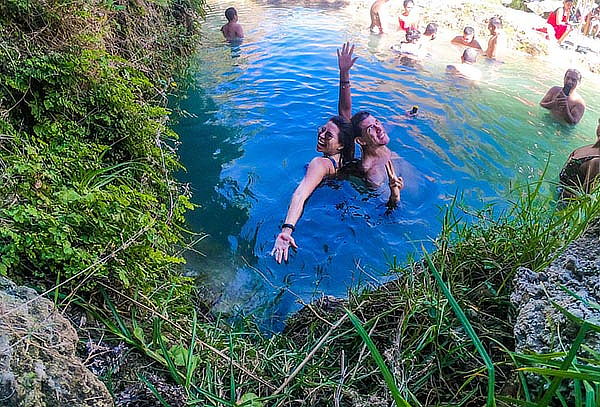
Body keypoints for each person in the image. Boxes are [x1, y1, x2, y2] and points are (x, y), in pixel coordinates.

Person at [270, 115, 355, 263]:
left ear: (341, 145)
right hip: (335, 212)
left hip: (315, 212)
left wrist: (286, 230)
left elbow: (300, 194)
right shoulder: (346, 161)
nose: (321, 136)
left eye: (328, 135)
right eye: (322, 130)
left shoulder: (319, 164)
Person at [337, 43, 404, 203]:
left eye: (377, 122)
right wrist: (395, 195)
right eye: (370, 128)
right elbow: (388, 213)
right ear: (360, 140)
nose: (379, 128)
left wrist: (406, 117)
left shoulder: (378, 140)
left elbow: (386, 126)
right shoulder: (373, 173)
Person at [559, 119, 600, 199]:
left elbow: (584, 199)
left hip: (565, 204)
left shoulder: (596, 161)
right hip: (558, 192)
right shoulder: (585, 149)